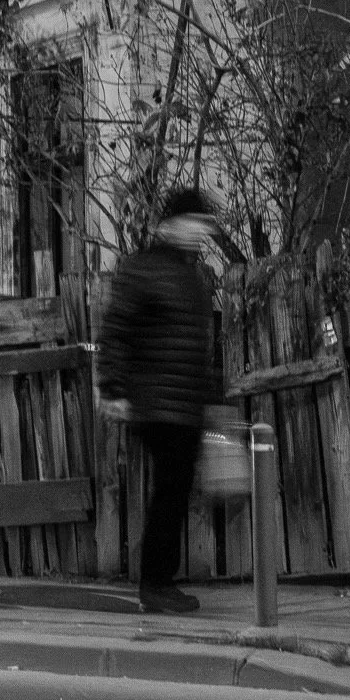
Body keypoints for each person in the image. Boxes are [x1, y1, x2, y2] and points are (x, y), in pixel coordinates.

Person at [97, 187, 221, 613]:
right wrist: (113, 388)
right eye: (195, 223)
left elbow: (195, 343)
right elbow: (117, 330)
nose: (201, 232)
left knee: (174, 490)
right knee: (170, 490)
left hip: (184, 404)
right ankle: (155, 585)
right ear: (169, 225)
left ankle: (158, 583)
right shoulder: (144, 269)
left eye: (204, 225)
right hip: (157, 404)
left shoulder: (191, 275)